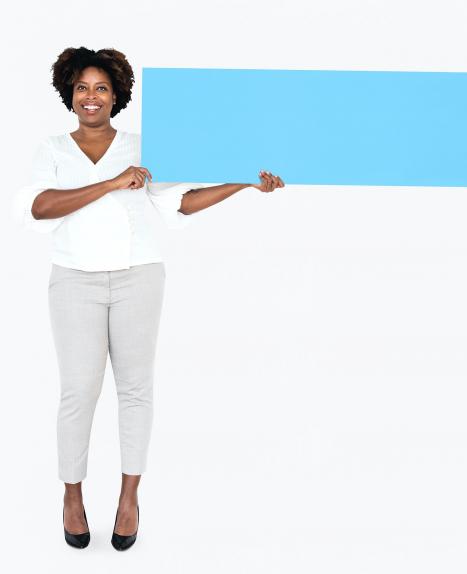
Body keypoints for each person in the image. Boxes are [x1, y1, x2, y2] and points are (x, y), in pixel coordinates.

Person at [11, 46, 285, 551]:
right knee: (79, 392)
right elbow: (41, 207)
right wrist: (113, 182)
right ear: (69, 95)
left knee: (136, 390)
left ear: (117, 96)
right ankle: (72, 494)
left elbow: (182, 202)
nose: (91, 97)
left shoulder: (143, 145)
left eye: (101, 89)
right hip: (74, 281)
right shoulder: (51, 147)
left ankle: (128, 497)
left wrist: (245, 183)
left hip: (139, 276)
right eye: (82, 88)